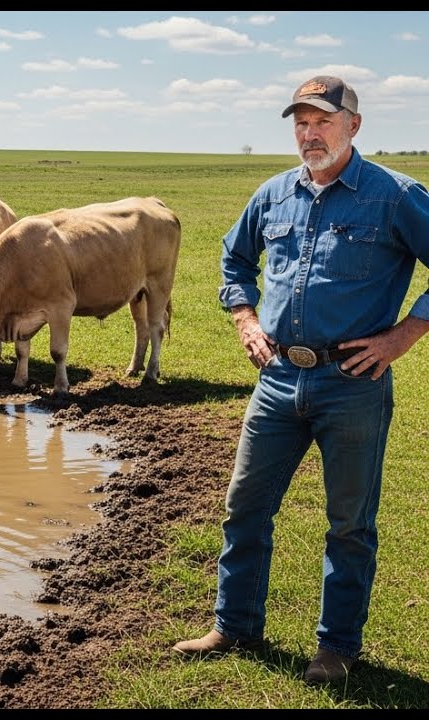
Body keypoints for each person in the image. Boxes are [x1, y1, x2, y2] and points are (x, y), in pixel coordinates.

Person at [173, 76, 429, 685]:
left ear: (353, 127)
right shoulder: (273, 195)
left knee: (348, 523)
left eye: (322, 121)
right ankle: (233, 625)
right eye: (301, 122)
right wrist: (244, 318)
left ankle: (335, 647)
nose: (309, 134)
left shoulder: (393, 196)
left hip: (353, 383)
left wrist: (403, 336)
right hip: (279, 379)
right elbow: (235, 259)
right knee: (245, 507)